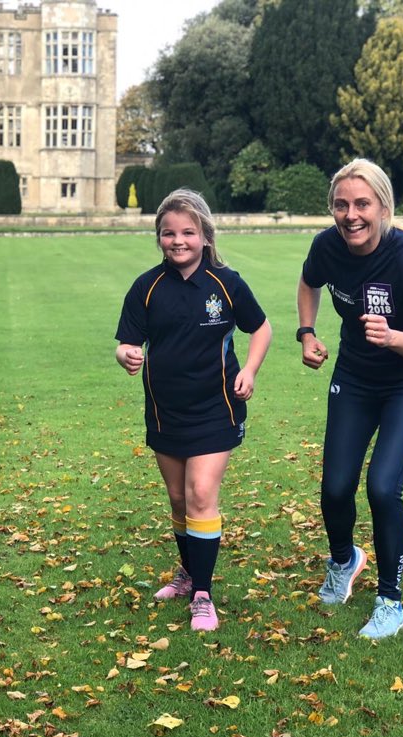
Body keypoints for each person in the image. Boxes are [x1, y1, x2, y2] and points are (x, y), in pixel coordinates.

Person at [296, 158, 403, 640]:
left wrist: (391, 337)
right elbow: (308, 282)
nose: (351, 214)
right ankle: (345, 561)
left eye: (362, 203)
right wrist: (307, 333)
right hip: (355, 380)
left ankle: (390, 601)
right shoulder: (327, 247)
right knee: (335, 487)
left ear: (383, 207)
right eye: (341, 204)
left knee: (382, 486)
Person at [115, 188, 272, 632]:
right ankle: (188, 573)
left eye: (188, 232)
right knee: (180, 498)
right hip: (166, 412)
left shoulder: (226, 282)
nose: (178, 240)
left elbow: (261, 329)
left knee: (202, 492)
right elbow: (127, 342)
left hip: (217, 408)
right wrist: (126, 355)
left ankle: (203, 594)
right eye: (169, 233)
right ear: (159, 238)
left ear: (205, 236)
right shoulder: (146, 287)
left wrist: (252, 371)